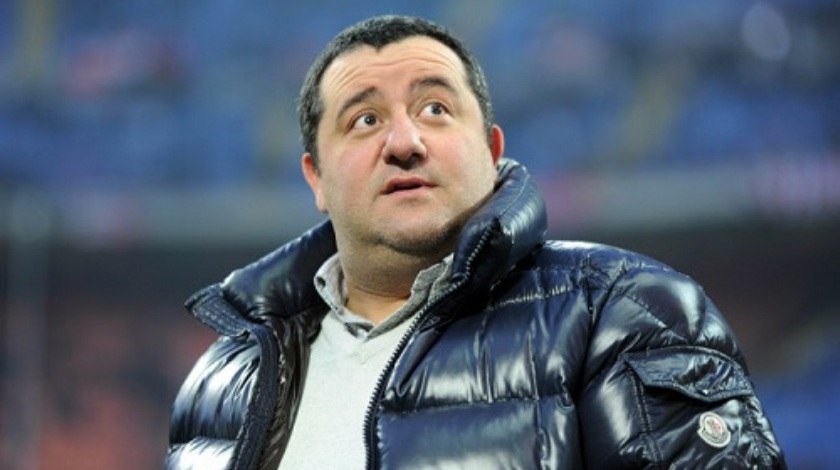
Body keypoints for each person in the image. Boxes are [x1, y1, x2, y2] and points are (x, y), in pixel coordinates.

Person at [165, 15, 786, 469]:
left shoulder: (624, 312)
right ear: (316, 178)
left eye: (435, 108)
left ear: (491, 150)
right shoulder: (224, 377)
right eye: (365, 120)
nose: (404, 142)